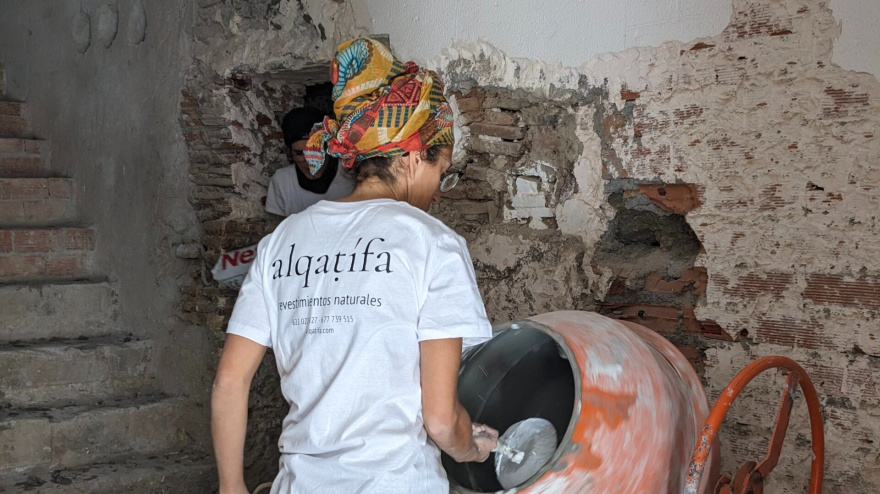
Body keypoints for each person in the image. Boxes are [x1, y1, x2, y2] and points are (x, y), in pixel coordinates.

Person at [211, 37, 499, 494]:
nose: (438, 191)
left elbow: (230, 380)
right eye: (439, 171)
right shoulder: (432, 243)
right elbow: (442, 419)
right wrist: (471, 446)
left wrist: (231, 487)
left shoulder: (281, 240)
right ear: (410, 156)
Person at [265, 107, 354, 217]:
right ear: (290, 152)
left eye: (314, 151)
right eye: (299, 153)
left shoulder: (351, 175)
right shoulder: (282, 181)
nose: (308, 161)